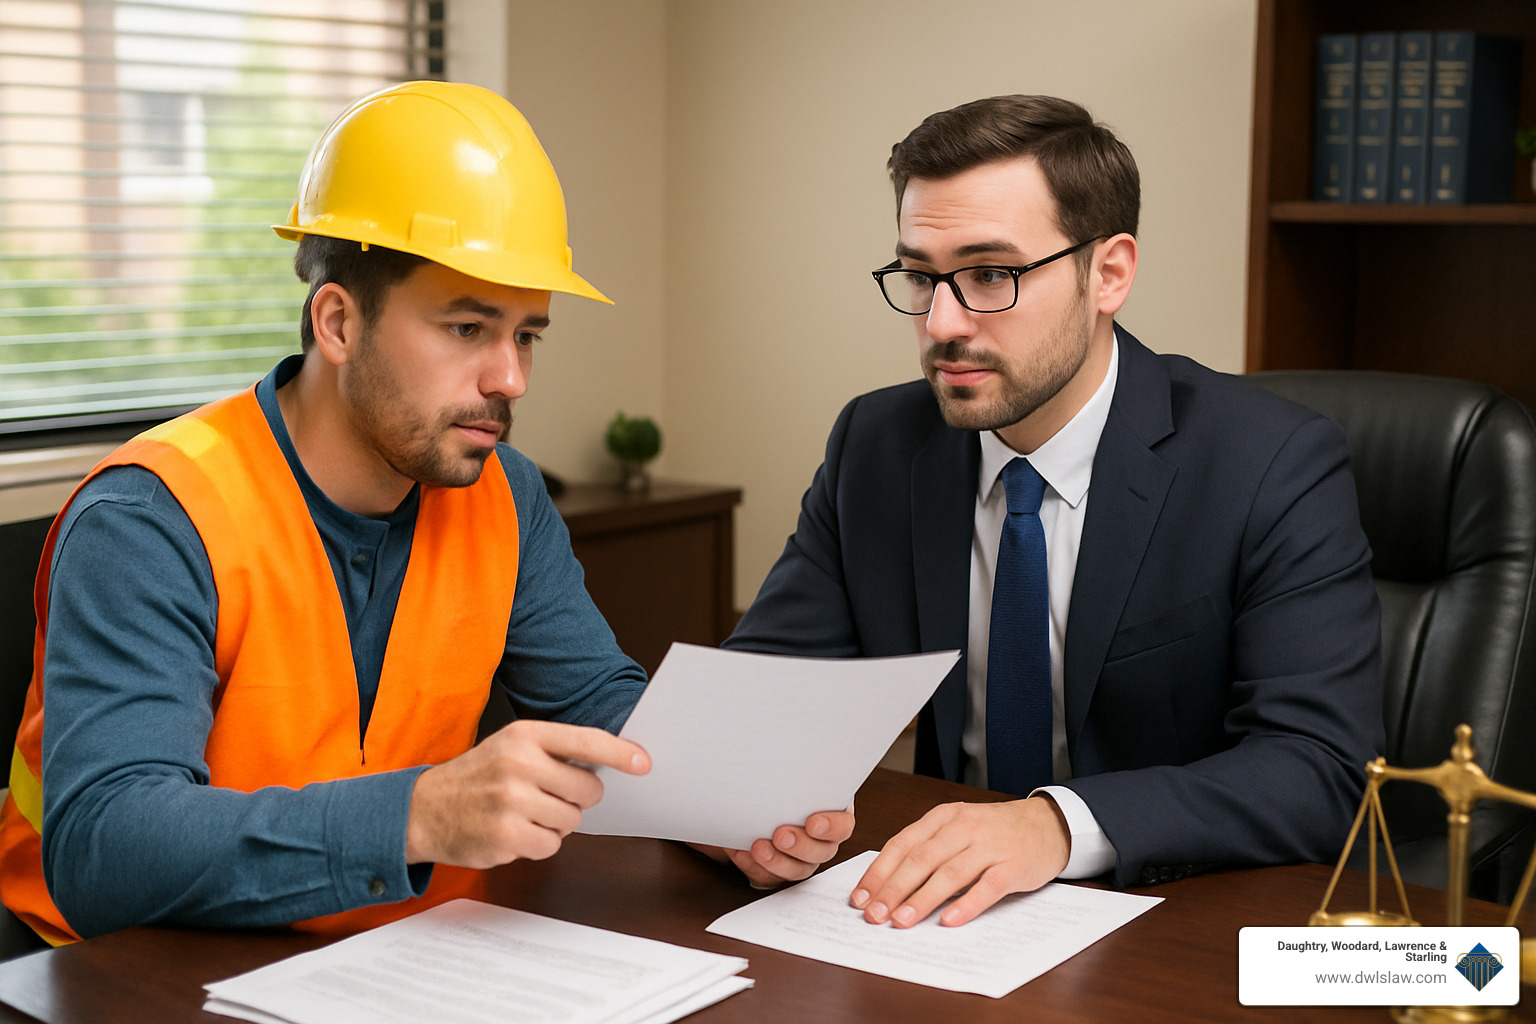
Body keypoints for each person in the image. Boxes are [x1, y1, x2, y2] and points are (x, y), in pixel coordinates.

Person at [0, 81, 849, 945]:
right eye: (467, 328)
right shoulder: (152, 517)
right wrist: (419, 815)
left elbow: (598, 703)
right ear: (337, 320)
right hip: (137, 966)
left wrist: (729, 810)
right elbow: (105, 849)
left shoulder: (504, 494)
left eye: (525, 335)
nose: (511, 379)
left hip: (400, 950)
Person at [725, 94, 1383, 929]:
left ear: (1108, 273)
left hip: (1179, 918)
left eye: (990, 275)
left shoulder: (1269, 462)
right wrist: (736, 810)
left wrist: (1056, 825)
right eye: (921, 277)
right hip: (942, 924)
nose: (942, 323)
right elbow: (761, 697)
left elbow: (1321, 768)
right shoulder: (879, 443)